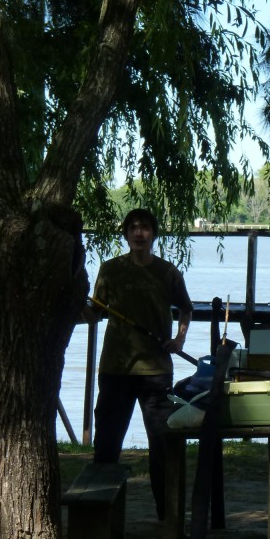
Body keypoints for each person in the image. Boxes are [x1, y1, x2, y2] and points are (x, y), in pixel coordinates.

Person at [89, 208, 193, 519]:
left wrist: (179, 339)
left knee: (163, 445)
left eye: (145, 228)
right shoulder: (109, 270)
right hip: (115, 370)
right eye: (133, 227)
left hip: (156, 373)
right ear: (125, 233)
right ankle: (100, 516)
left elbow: (186, 309)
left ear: (153, 234)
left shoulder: (168, 272)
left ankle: (169, 516)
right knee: (107, 444)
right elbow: (94, 313)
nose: (139, 233)